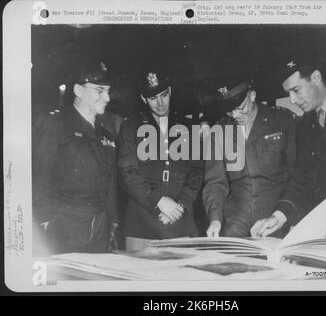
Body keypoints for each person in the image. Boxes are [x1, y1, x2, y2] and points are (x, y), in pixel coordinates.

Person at [251, 56, 326, 237]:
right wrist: (279, 216)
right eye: (288, 93)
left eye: (296, 90)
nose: (292, 100)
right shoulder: (307, 123)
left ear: (316, 78)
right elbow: (304, 173)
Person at [32, 61, 119, 254]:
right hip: (64, 225)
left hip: (100, 226)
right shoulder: (55, 124)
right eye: (99, 90)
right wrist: (45, 221)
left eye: (108, 91)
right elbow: (41, 174)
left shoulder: (107, 135)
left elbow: (110, 182)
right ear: (79, 90)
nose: (107, 97)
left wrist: (113, 221)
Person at [203, 77, 305, 238]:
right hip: (236, 217)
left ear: (252, 96)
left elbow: (299, 177)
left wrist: (290, 216)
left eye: (239, 107)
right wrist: (215, 219)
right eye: (229, 110)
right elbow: (215, 182)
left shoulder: (282, 120)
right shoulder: (220, 131)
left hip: (275, 213)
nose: (235, 115)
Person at [118, 70, 203, 240]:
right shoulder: (130, 127)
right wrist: (159, 201)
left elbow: (196, 172)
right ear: (144, 99)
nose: (160, 103)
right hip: (142, 224)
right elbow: (128, 173)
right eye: (153, 98)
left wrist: (180, 206)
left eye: (164, 95)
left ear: (170, 91)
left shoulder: (188, 126)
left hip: (179, 222)